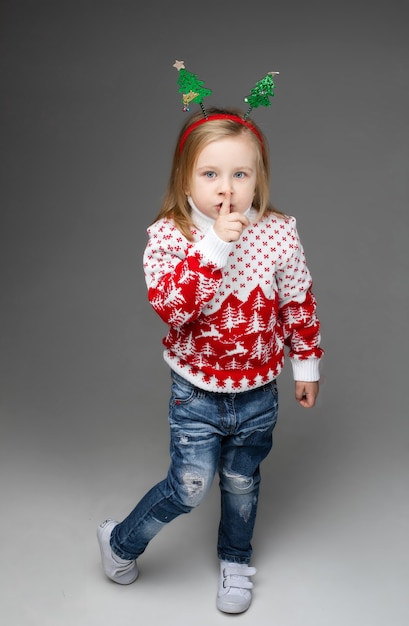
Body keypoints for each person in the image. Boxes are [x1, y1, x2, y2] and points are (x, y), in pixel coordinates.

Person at [97, 106, 323, 614]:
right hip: (196, 391)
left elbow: (298, 300)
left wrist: (305, 364)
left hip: (258, 391)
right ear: (184, 182)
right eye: (211, 174)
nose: (227, 189)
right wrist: (216, 245)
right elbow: (172, 309)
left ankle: (236, 559)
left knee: (243, 480)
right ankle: (120, 542)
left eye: (240, 174)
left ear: (258, 178)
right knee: (191, 485)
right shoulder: (170, 236)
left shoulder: (279, 231)